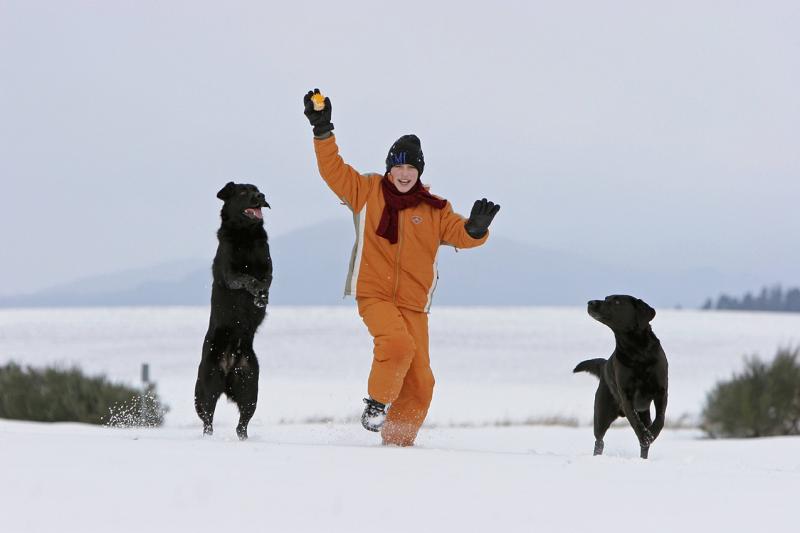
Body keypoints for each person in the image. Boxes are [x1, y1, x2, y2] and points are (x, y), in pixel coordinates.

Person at [303, 89, 500, 446]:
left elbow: (459, 234)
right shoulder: (365, 191)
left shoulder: (435, 208)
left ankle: (396, 444)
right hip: (374, 293)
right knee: (396, 345)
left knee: (422, 383)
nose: (404, 173)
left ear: (419, 170)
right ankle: (376, 404)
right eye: (398, 166)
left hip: (414, 303)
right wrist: (323, 131)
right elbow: (332, 170)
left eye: (411, 167)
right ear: (389, 168)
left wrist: (476, 229)